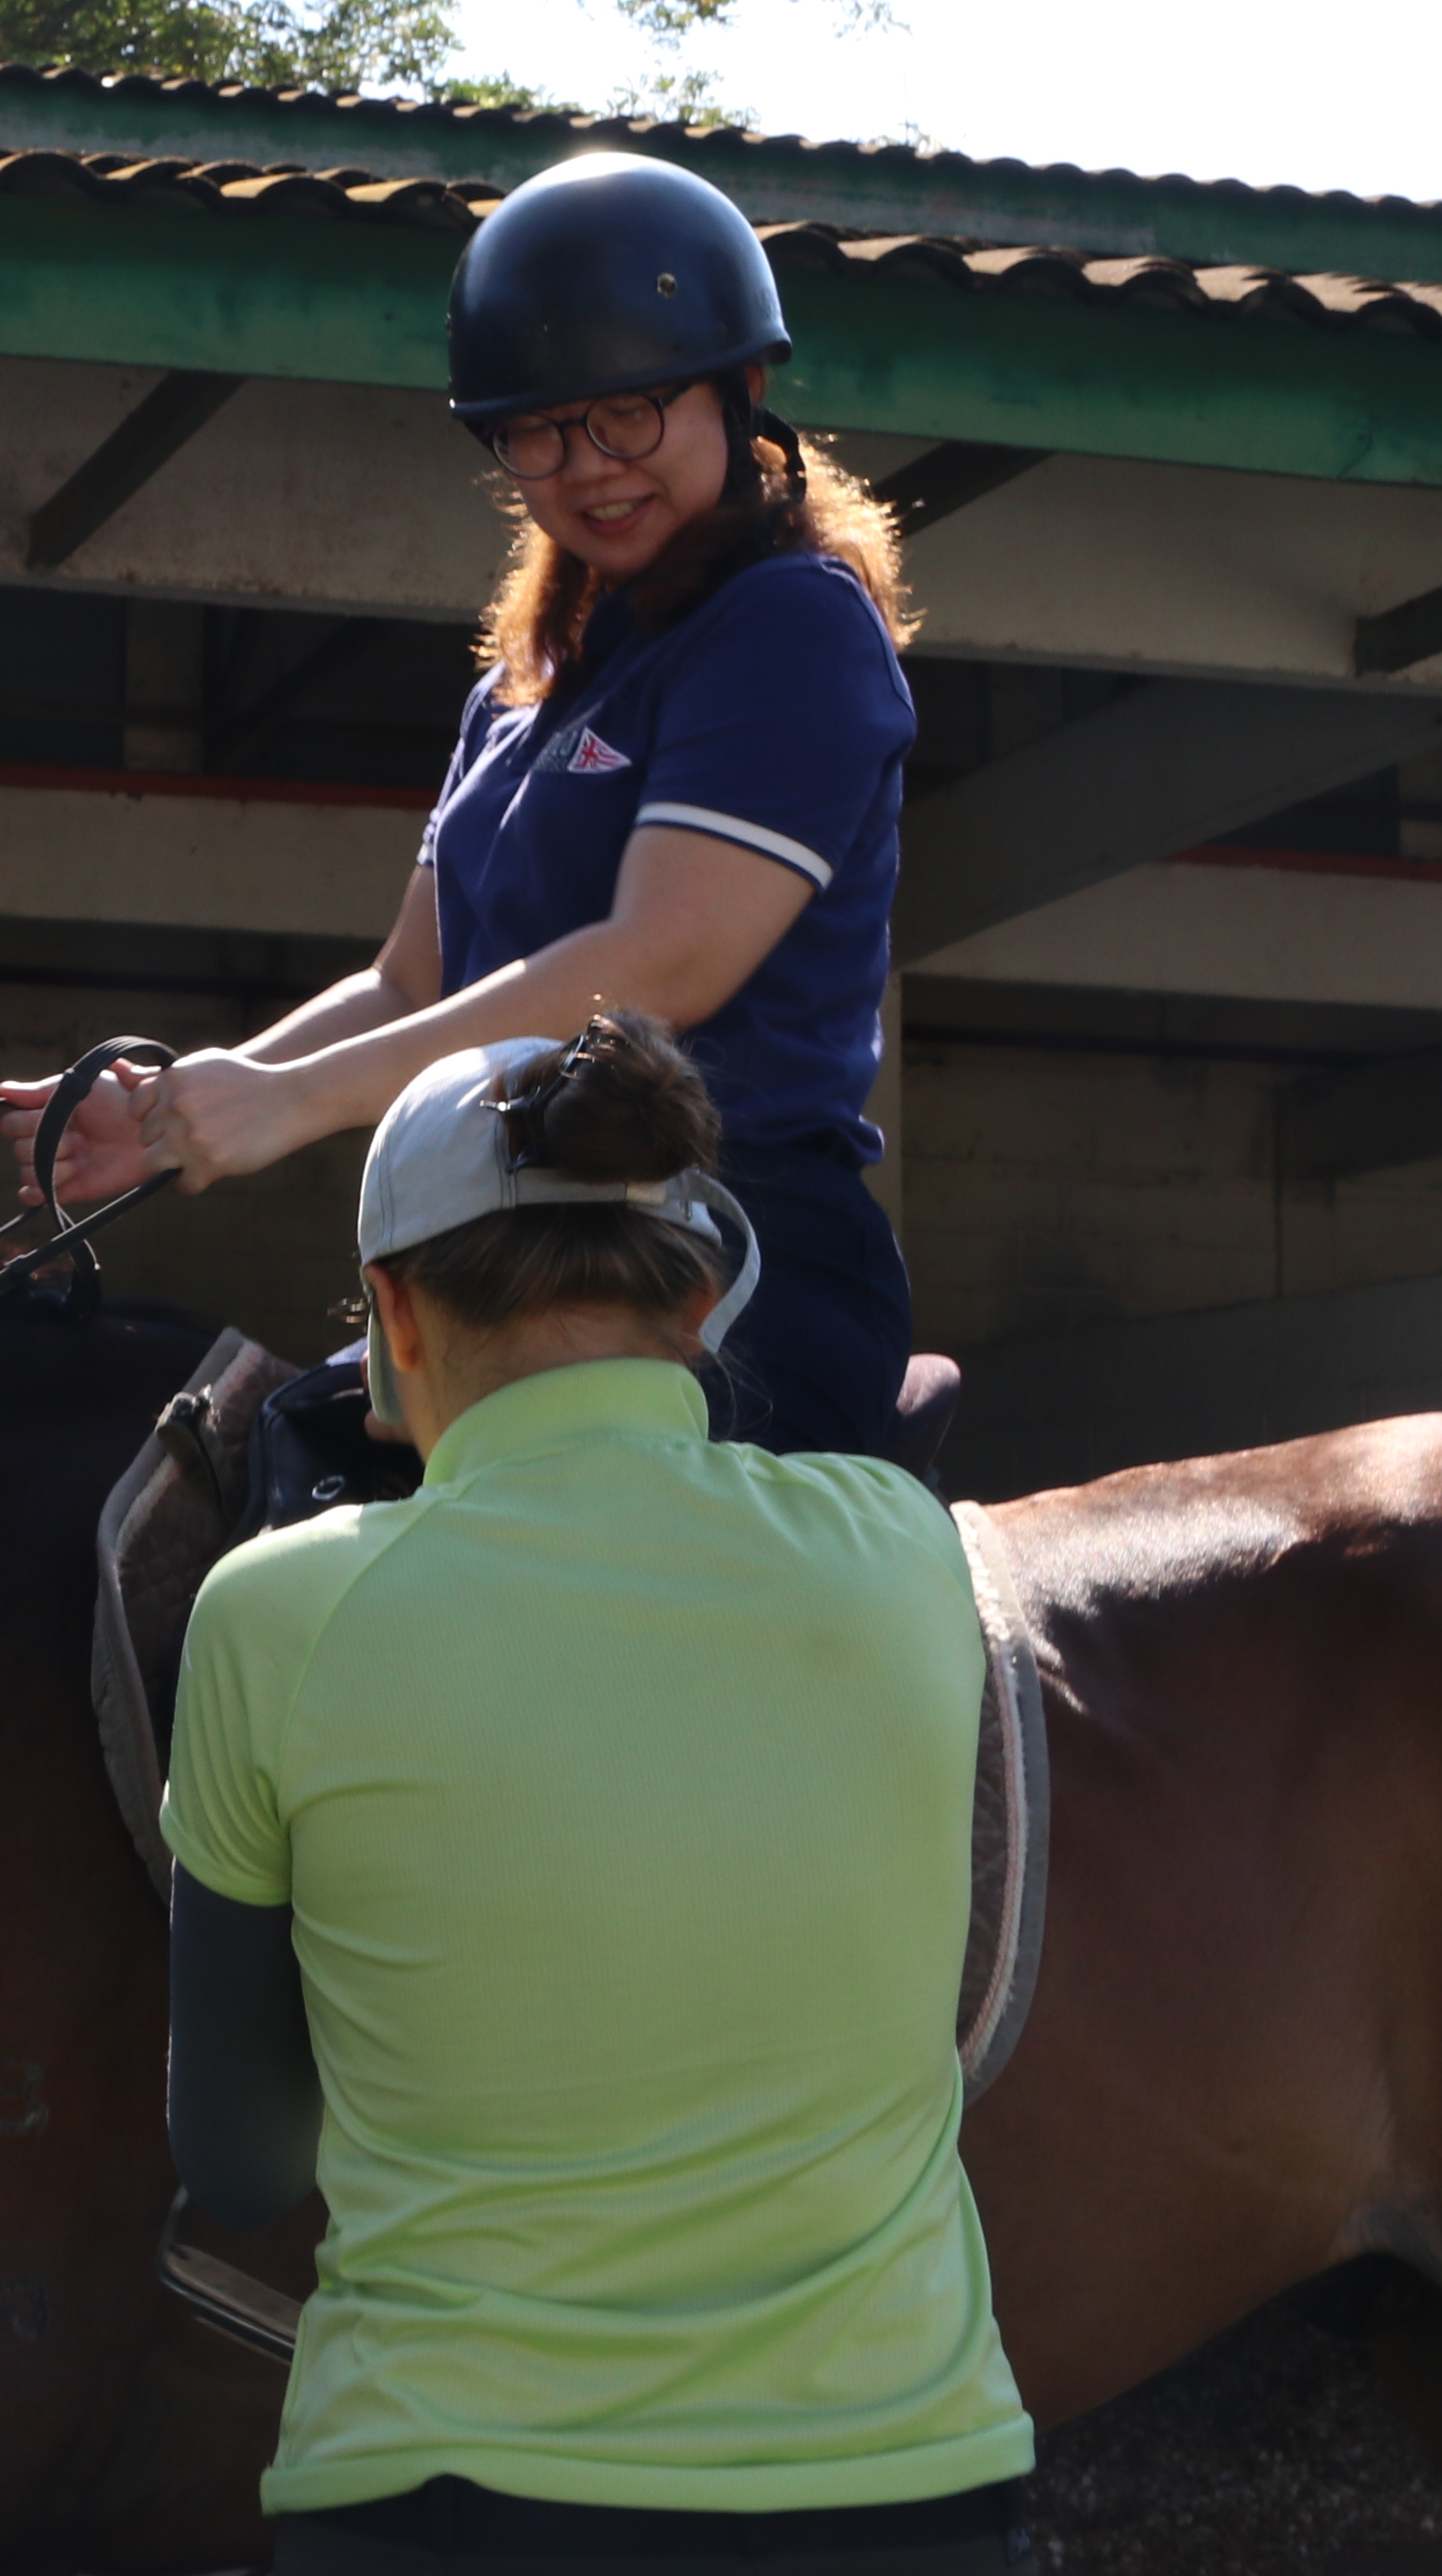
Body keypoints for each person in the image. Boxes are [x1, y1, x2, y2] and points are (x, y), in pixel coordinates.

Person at [161, 1011, 1027, 2575]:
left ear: (391, 1319)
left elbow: (240, 2161)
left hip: (448, 2511)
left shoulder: (272, 1614)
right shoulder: (905, 1553)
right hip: (909, 2505)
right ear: (699, 1304)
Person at [10, 149, 922, 1461]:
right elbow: (405, 986)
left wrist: (301, 1105)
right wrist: (191, 1110)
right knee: (243, 1460)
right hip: (501, 1239)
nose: (587, 465)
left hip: (727, 1249)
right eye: (539, 429)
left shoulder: (789, 624)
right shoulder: (527, 681)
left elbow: (659, 964)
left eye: (632, 411)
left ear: (743, 387)